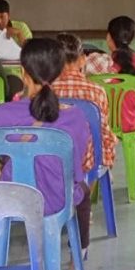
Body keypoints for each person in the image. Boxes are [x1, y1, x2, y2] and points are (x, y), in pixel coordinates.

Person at [0, 38, 94, 255]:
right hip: (58, 202)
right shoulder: (77, 116)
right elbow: (79, 166)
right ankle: (80, 251)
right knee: (83, 192)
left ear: (23, 73)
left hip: (11, 200)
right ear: (60, 72)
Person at [53, 32, 117, 170]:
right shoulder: (97, 91)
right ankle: (86, 189)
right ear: (82, 60)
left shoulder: (45, 91)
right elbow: (104, 131)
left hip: (53, 160)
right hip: (87, 162)